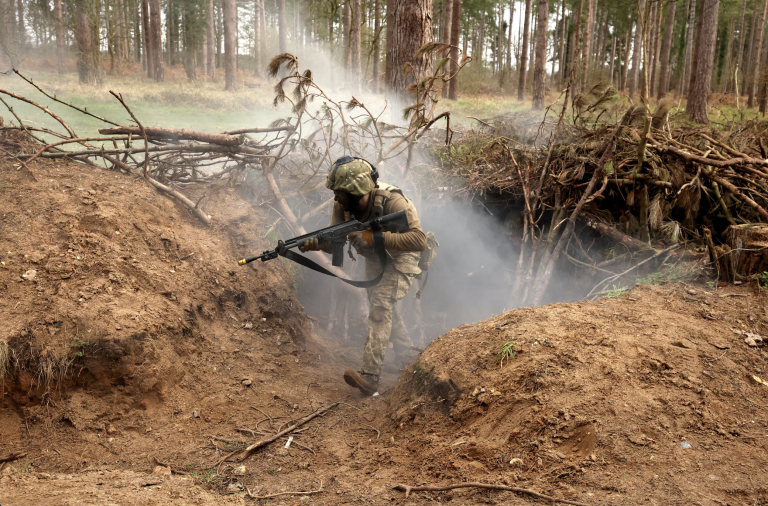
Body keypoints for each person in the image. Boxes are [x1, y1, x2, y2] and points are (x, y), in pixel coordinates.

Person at [300, 156, 426, 395]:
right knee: (384, 304)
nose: (336, 198)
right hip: (376, 258)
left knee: (379, 307)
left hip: (403, 256)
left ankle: (370, 377)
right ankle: (406, 356)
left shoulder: (393, 202)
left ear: (357, 191)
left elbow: (418, 241)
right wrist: (315, 244)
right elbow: (333, 244)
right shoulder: (342, 207)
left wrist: (376, 237)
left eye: (341, 193)